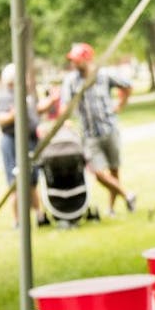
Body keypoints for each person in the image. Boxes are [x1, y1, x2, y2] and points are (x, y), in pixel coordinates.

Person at [61, 42, 136, 216]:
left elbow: (127, 85)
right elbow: (65, 105)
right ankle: (128, 194)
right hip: (89, 135)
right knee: (98, 172)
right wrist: (66, 121)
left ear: (87, 59)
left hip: (109, 129)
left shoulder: (103, 75)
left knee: (114, 169)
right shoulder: (71, 81)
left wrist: (121, 104)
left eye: (77, 59)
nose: (73, 63)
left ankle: (111, 208)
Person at [0, 63, 51, 228]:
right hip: (13, 143)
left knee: (32, 181)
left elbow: (34, 112)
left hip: (30, 141)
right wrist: (13, 114)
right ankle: (17, 221)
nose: (27, 80)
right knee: (16, 182)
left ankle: (40, 215)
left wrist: (49, 103)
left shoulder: (26, 95)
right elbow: (1, 119)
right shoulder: (7, 96)